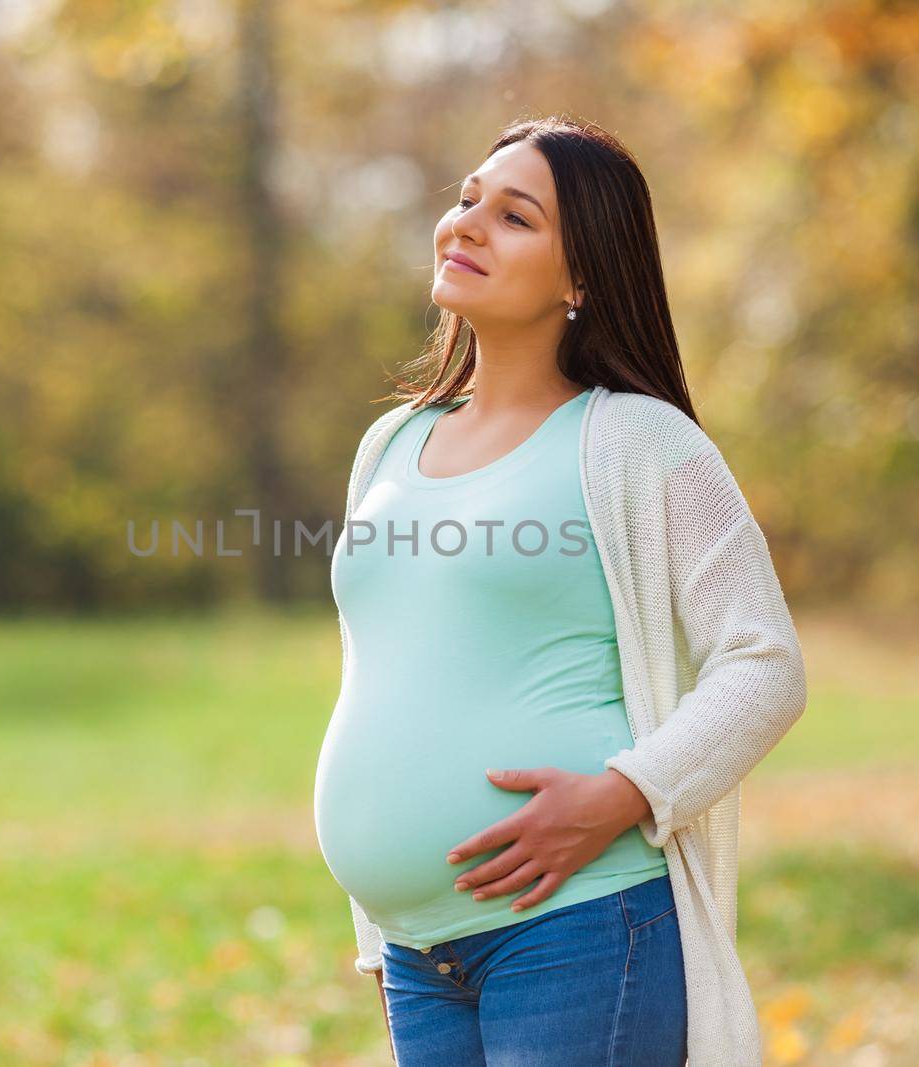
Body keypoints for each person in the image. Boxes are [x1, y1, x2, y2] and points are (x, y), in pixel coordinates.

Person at [312, 115, 807, 1066]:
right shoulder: (391, 444)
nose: (465, 226)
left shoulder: (639, 443)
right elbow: (384, 677)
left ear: (582, 278)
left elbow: (766, 662)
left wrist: (626, 792)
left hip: (576, 928)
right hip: (418, 955)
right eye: (464, 202)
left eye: (513, 216)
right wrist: (382, 918)